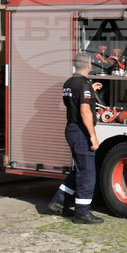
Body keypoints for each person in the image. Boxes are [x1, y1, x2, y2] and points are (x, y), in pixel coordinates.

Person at [48, 51, 104, 224]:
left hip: (71, 129)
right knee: (87, 173)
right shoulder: (84, 85)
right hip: (80, 131)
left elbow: (74, 98)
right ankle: (82, 213)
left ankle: (57, 203)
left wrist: (90, 89)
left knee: (79, 169)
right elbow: (84, 111)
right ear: (89, 66)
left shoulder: (69, 83)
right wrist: (93, 136)